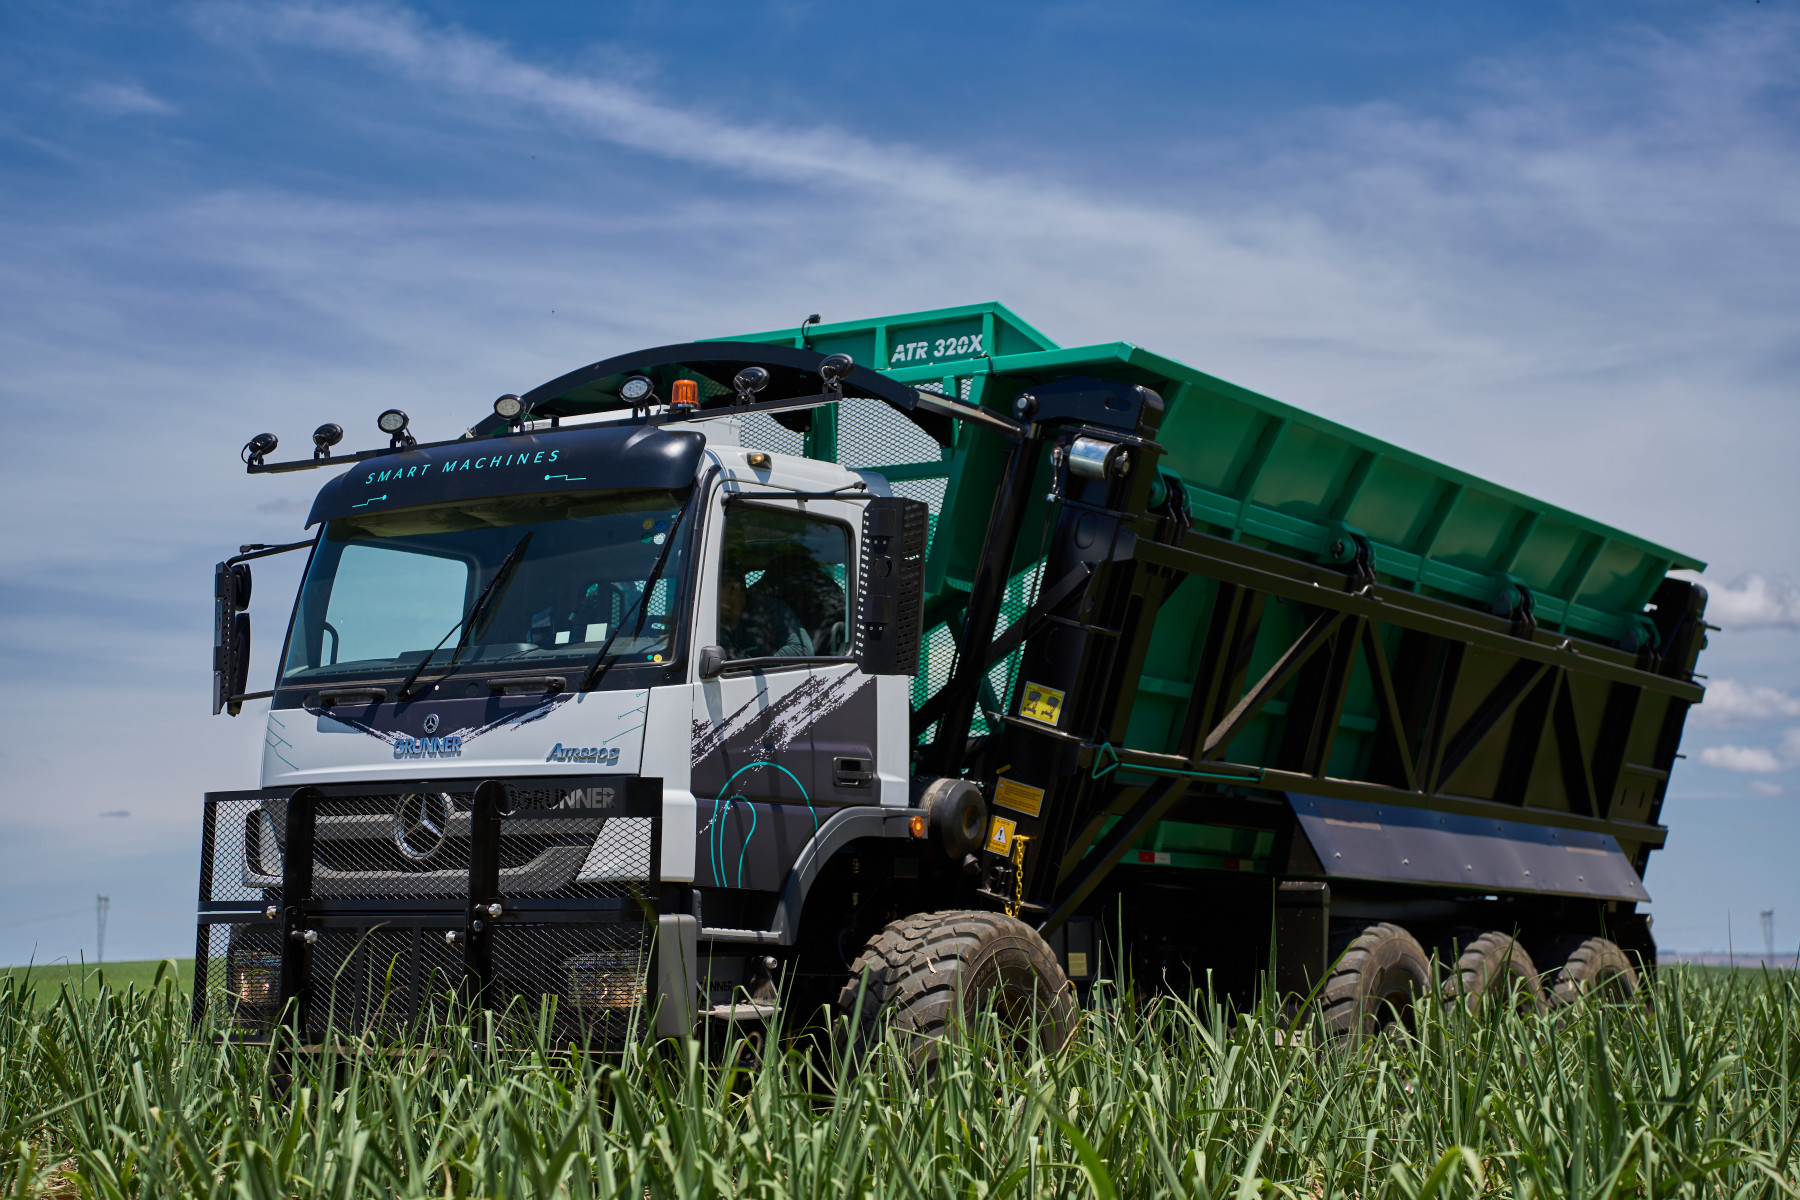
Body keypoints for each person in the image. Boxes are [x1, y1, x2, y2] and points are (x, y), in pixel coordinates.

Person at [718, 574, 813, 659]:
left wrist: (754, 668)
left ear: (732, 587)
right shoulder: (712, 620)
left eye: (709, 590)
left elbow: (802, 651)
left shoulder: (772, 610)